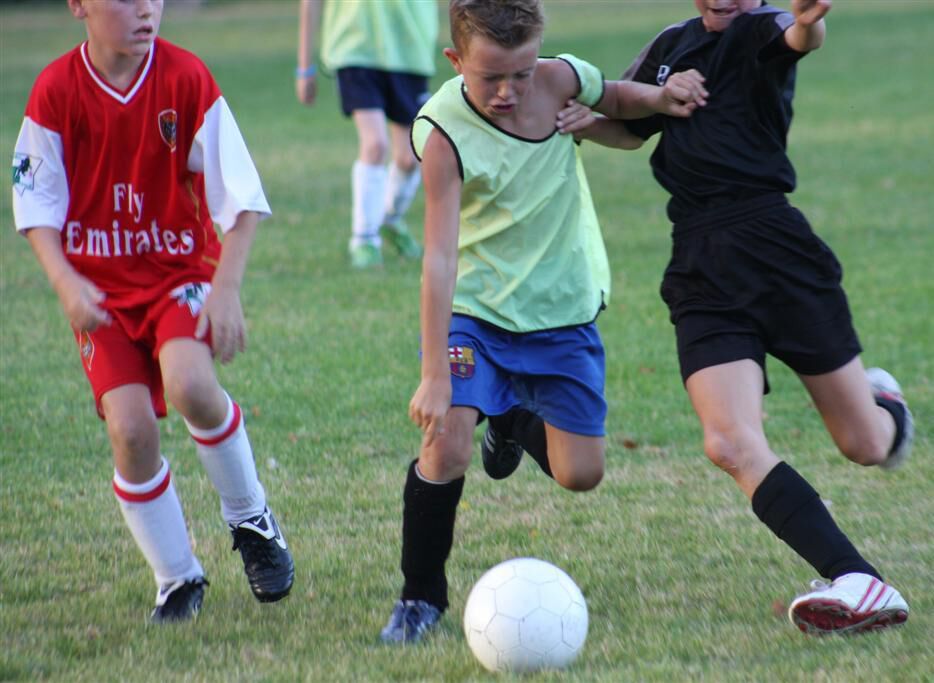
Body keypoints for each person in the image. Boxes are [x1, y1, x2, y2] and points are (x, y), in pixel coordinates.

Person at [557, 0, 913, 635]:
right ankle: (857, 579)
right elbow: (634, 126)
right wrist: (588, 123)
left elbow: (799, 38)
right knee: (726, 442)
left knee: (865, 445)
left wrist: (809, 19)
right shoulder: (671, 42)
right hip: (699, 262)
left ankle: (884, 407)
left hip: (776, 250)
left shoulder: (762, 28)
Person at [379, 0, 707, 643]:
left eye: (522, 74)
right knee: (446, 444)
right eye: (490, 77)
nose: (508, 91)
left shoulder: (560, 78)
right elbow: (439, 258)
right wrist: (434, 374)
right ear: (455, 61)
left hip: (561, 310)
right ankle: (420, 597)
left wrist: (661, 98)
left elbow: (617, 94)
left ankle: (507, 418)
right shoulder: (442, 133)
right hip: (477, 312)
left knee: (581, 474)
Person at [11, 0, 294, 623]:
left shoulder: (186, 78)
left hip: (177, 276)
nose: (145, 9)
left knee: (191, 385)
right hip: (100, 293)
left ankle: (251, 518)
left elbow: (240, 195)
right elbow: (36, 203)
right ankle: (177, 577)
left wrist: (226, 287)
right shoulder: (56, 91)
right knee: (131, 431)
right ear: (78, 5)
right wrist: (64, 282)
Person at [296, 0, 438, 269]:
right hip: (355, 49)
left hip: (410, 51)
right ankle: (364, 239)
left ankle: (389, 219)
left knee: (410, 158)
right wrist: (305, 67)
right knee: (375, 145)